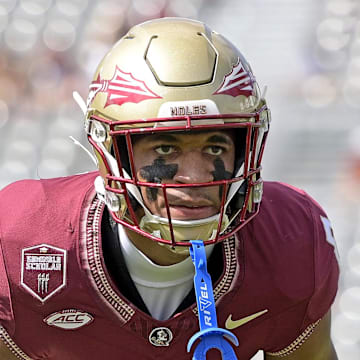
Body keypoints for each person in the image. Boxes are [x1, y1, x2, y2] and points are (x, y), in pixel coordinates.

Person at [0, 17, 339, 360]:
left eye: (215, 147)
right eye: (165, 148)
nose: (193, 177)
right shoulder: (21, 240)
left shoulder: (291, 241)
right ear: (113, 153)